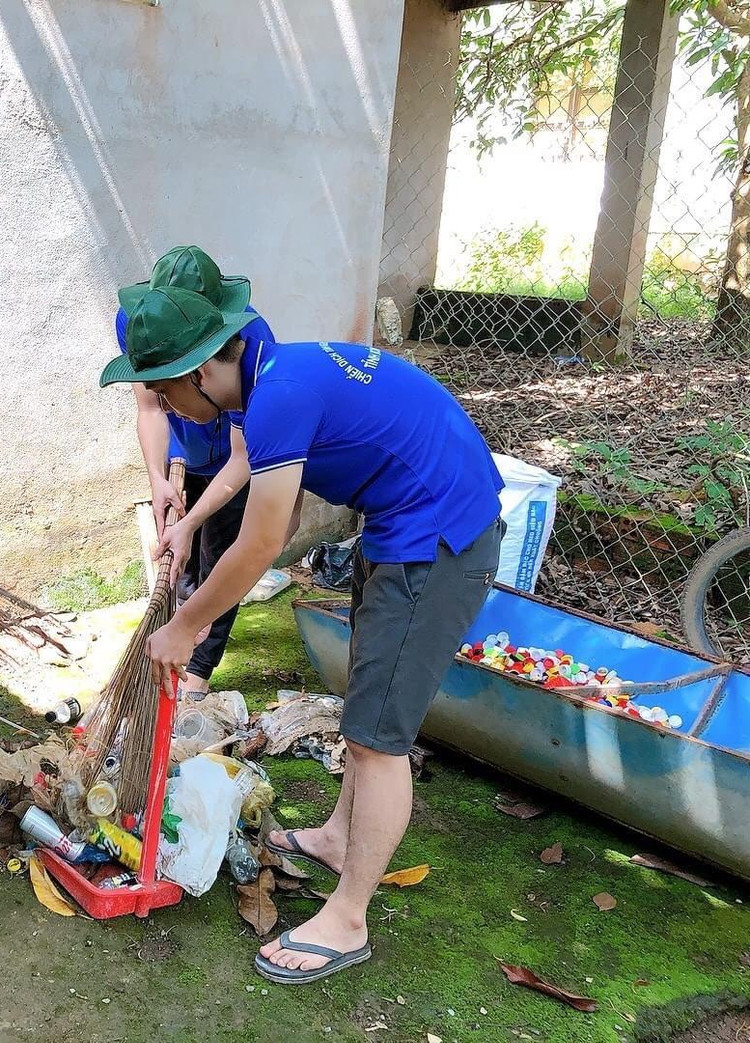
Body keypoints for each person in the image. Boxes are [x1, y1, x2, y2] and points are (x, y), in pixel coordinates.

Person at [100, 287, 503, 986]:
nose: (171, 412)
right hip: (402, 519)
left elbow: (259, 546)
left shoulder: (277, 396)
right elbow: (278, 527)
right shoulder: (267, 374)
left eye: (167, 394)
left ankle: (348, 918)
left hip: (437, 536)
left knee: (379, 741)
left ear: (200, 372)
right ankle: (343, 838)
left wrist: (185, 625)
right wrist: (192, 532)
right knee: (365, 710)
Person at [115, 246, 275, 697]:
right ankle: (174, 640)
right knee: (180, 558)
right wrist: (159, 479)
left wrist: (192, 521)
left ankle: (199, 673)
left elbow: (244, 457)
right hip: (186, 446)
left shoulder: (250, 339)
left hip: (231, 451)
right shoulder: (138, 323)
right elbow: (150, 406)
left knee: (222, 556)